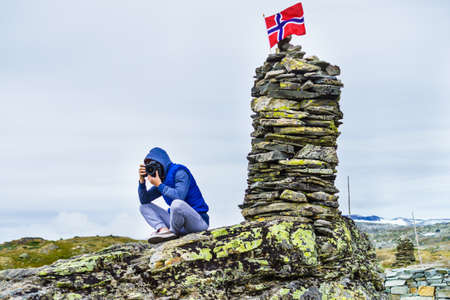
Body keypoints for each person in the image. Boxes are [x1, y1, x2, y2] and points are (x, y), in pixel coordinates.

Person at [138, 147, 210, 244]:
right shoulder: (161, 180)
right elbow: (144, 200)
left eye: (154, 165)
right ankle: (163, 230)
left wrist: (159, 185)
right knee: (144, 207)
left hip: (198, 221)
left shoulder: (179, 171)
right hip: (177, 224)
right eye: (149, 166)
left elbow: (179, 197)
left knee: (176, 204)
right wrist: (141, 181)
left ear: (162, 162)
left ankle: (172, 233)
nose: (152, 168)